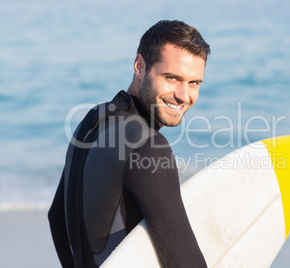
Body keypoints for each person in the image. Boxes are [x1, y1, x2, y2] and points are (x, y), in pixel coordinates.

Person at [48, 20, 210, 268]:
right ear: (140, 66)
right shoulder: (149, 147)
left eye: (194, 83)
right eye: (172, 78)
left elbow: (57, 218)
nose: (183, 95)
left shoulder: (92, 120)